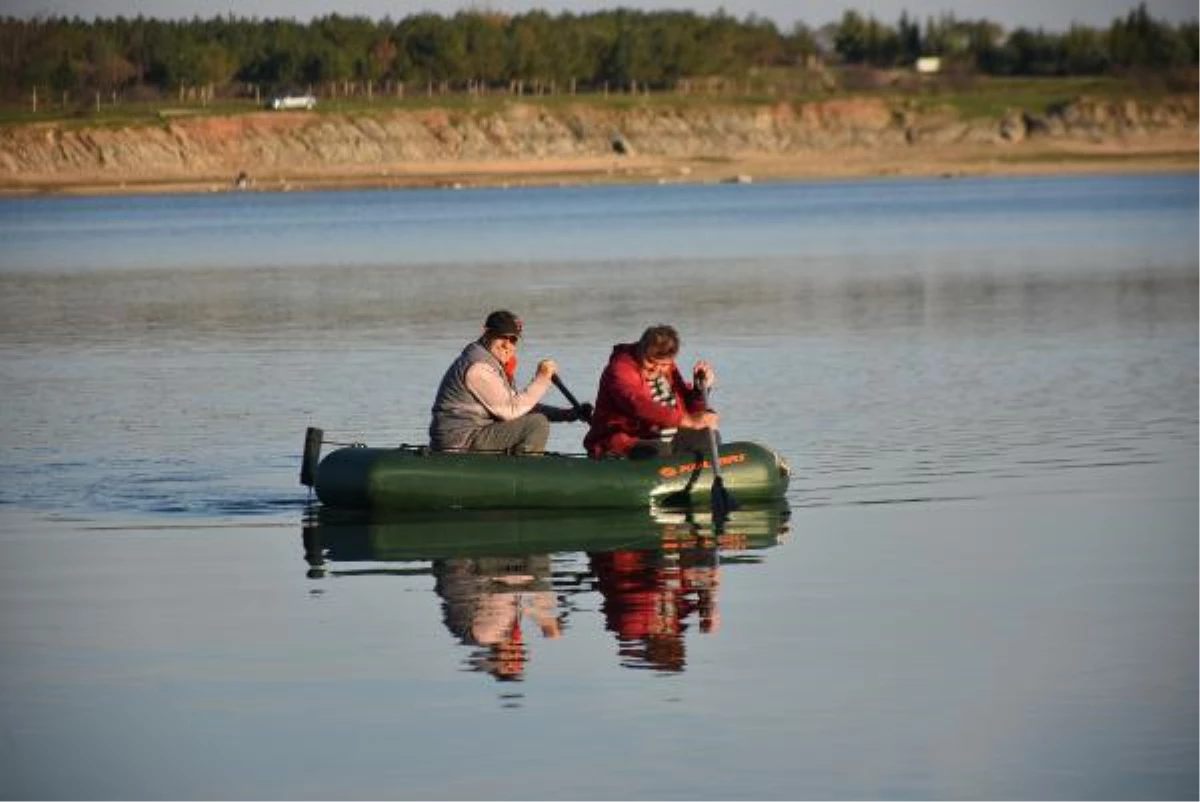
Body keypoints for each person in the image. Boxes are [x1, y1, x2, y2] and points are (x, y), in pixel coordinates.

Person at [429, 310, 587, 453]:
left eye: (513, 340)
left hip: (474, 434)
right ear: (486, 333)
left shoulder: (490, 363)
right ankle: (524, 475)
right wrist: (542, 378)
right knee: (537, 424)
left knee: (533, 420)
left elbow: (520, 407)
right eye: (501, 337)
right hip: (459, 441)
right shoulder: (478, 368)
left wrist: (566, 414)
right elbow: (510, 411)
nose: (507, 345)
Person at [583, 324, 719, 459]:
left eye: (664, 364)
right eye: (650, 362)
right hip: (621, 442)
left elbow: (690, 411)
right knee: (657, 450)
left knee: (709, 436)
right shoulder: (620, 369)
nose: (656, 369)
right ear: (640, 350)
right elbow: (637, 404)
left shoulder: (668, 368)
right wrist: (688, 421)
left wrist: (699, 391)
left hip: (665, 438)